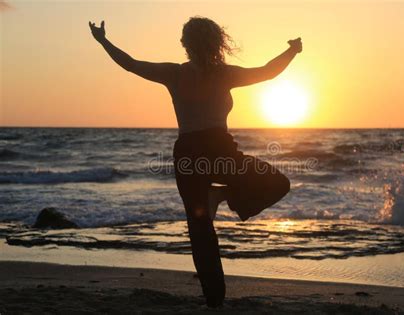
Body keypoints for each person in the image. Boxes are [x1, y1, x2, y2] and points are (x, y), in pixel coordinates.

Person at [89, 16, 302, 307]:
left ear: (185, 44)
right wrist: (292, 51)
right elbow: (267, 72)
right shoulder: (221, 74)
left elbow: (130, 63)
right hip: (219, 152)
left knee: (200, 228)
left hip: (191, 155)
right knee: (277, 183)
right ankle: (223, 198)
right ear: (218, 41)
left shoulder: (176, 74)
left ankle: (215, 298)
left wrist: (103, 41)